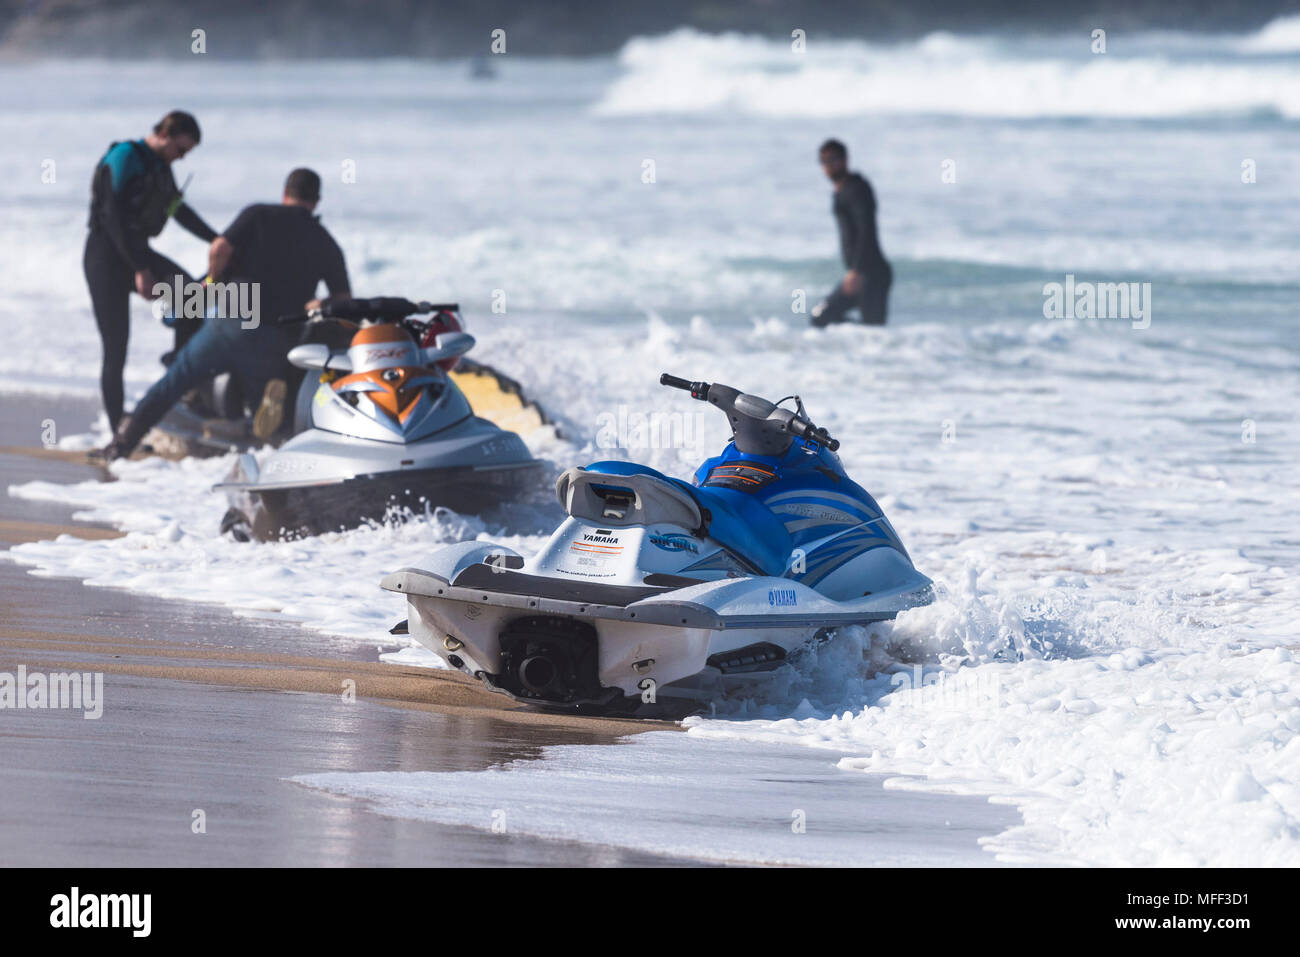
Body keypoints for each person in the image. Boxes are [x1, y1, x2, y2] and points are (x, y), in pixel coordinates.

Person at [98, 168, 351, 460]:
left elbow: (219, 247)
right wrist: (315, 304)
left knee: (173, 381)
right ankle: (269, 447)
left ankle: (121, 446)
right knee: (265, 411)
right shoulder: (324, 240)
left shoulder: (259, 214)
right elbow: (343, 299)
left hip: (234, 314)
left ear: (285, 193)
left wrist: (214, 281)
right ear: (317, 200)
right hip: (277, 334)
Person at [84, 110, 218, 433]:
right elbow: (112, 217)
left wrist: (218, 238)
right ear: (166, 135)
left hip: (137, 253)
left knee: (191, 296)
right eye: (181, 150)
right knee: (117, 346)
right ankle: (118, 429)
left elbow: (178, 211)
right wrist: (141, 269)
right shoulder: (124, 156)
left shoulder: (162, 167)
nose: (182, 158)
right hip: (106, 256)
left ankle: (179, 369)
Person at [810, 139, 893, 327]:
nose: (828, 166)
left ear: (845, 160)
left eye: (832, 160)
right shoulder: (841, 192)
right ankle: (850, 347)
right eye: (823, 161)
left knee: (873, 331)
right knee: (820, 317)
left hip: (871, 274)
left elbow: (867, 229)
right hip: (861, 273)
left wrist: (856, 269)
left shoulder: (857, 189)